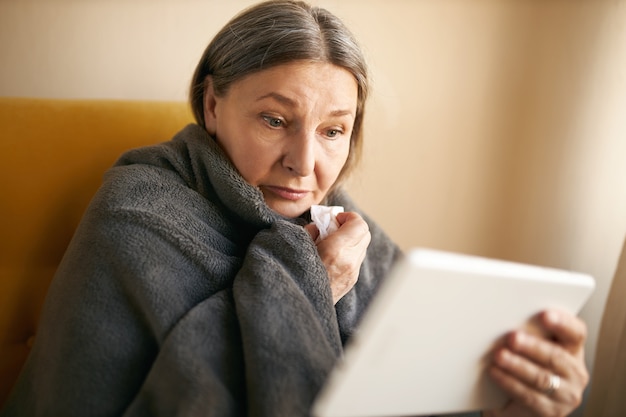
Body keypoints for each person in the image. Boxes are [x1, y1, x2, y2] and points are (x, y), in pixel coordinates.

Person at [1, 1, 589, 416]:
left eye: (334, 131)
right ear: (212, 105)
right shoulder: (137, 216)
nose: (305, 164)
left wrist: (505, 403)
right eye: (275, 120)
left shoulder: (349, 229)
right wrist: (310, 279)